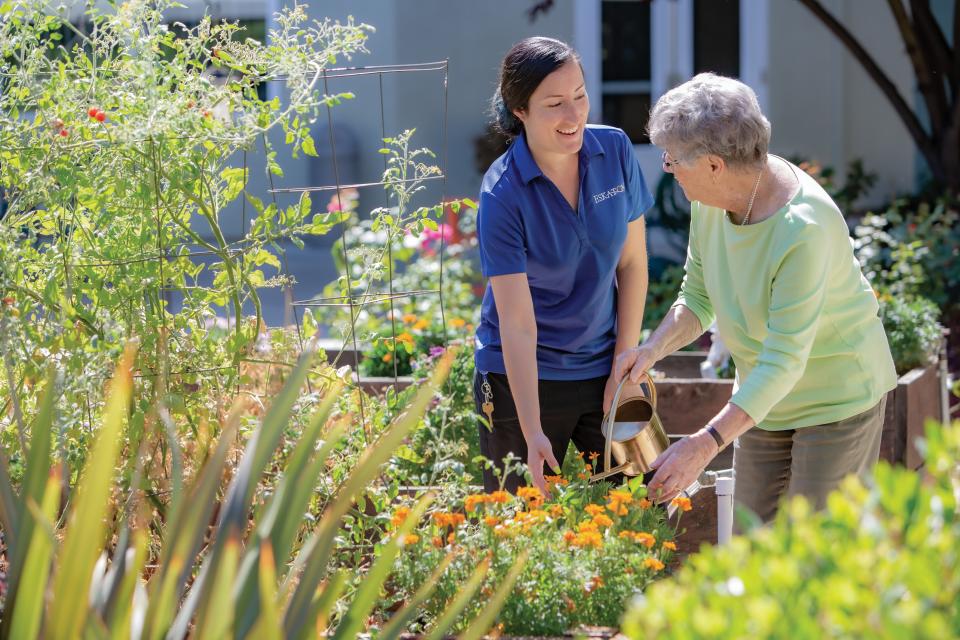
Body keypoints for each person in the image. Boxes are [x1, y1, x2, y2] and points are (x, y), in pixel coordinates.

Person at [615, 73, 897, 522]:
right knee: (753, 544)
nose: (665, 167)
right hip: (762, 399)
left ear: (713, 164)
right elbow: (699, 296)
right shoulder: (710, 199)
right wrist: (653, 348)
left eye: (672, 159)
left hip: (836, 398)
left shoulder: (803, 228)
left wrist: (704, 443)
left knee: (811, 554)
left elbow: (785, 359)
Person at [473, 37, 653, 495]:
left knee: (638, 508)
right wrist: (532, 431)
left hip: (604, 370)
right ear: (520, 110)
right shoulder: (502, 195)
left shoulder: (613, 151)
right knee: (521, 525)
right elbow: (516, 324)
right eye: (554, 104)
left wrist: (623, 366)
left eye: (579, 96)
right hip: (521, 380)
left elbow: (632, 264)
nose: (574, 116)